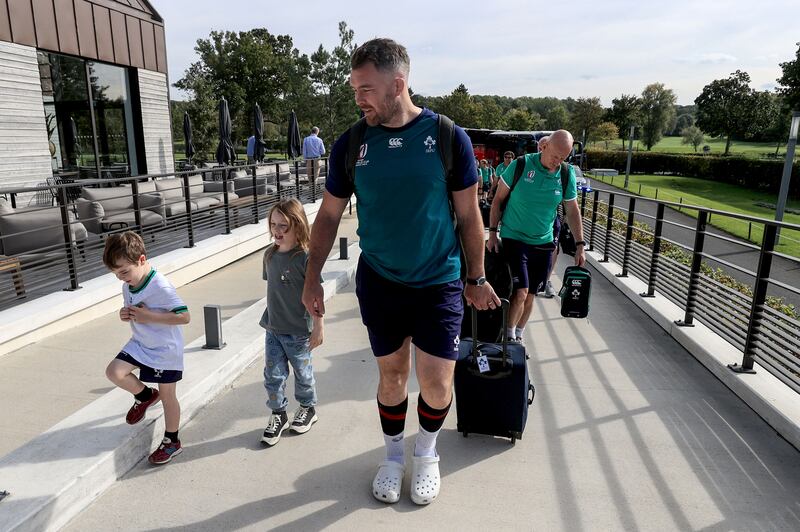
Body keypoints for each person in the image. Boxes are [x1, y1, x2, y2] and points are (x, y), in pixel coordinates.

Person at [301, 37, 499, 506]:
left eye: (366, 89)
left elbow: (470, 217)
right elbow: (328, 216)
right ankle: (393, 457)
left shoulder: (449, 138)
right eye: (354, 89)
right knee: (391, 376)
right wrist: (312, 277)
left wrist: (476, 278)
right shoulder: (351, 144)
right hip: (382, 281)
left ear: (399, 83)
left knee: (436, 381)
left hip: (438, 282)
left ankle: (426, 454)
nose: (358, 98)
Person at [487, 130, 586, 344]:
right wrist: (493, 233)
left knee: (531, 294)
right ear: (544, 146)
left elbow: (572, 210)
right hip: (515, 237)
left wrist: (580, 244)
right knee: (520, 291)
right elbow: (497, 201)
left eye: (563, 158)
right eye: (555, 156)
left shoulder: (565, 174)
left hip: (543, 242)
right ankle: (508, 337)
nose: (557, 162)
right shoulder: (521, 165)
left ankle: (518, 335)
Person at [103, 231, 191, 465]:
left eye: (124, 271)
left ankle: (172, 441)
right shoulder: (128, 285)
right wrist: (126, 314)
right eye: (116, 274)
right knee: (114, 372)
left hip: (165, 350)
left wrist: (147, 316)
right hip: (141, 344)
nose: (121, 278)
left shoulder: (160, 285)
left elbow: (184, 317)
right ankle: (144, 395)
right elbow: (136, 311)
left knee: (167, 395)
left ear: (141, 260)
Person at [259, 199, 323, 447]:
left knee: (303, 374)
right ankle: (278, 414)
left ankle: (308, 408)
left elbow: (316, 296)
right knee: (273, 376)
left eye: (283, 226)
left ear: (298, 226)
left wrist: (318, 325)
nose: (277, 230)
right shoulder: (269, 256)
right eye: (273, 224)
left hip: (299, 332)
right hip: (273, 329)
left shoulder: (305, 259)